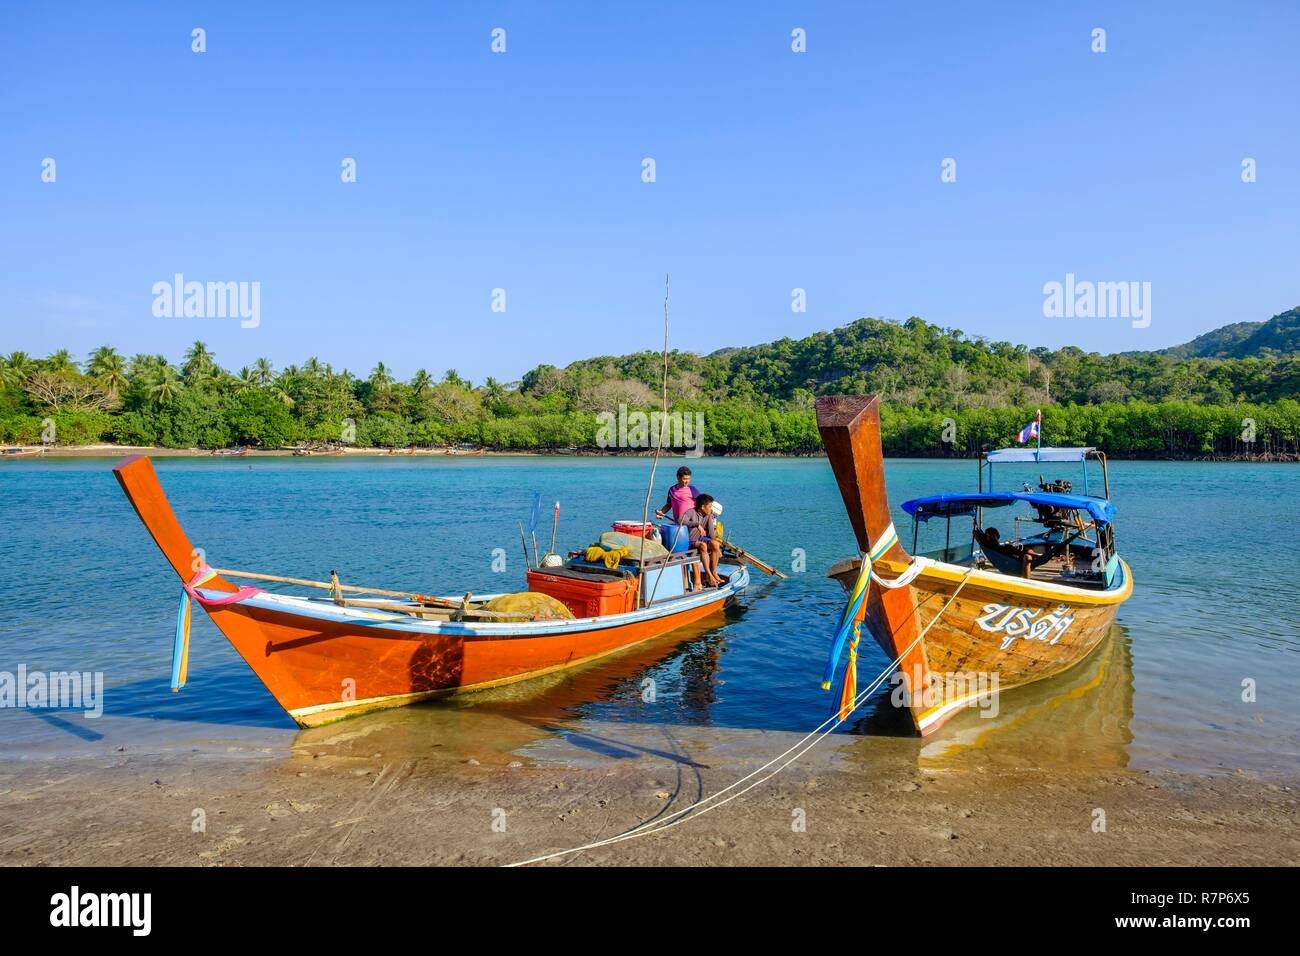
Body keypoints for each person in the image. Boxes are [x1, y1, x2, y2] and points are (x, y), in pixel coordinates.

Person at [679, 493, 722, 588]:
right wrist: (697, 524)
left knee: (715, 544)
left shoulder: (708, 515)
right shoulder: (691, 512)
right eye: (710, 506)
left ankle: (714, 572)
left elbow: (711, 535)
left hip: (701, 539)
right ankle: (709, 575)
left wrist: (711, 520)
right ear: (703, 506)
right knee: (703, 545)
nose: (711, 509)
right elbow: (680, 520)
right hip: (690, 541)